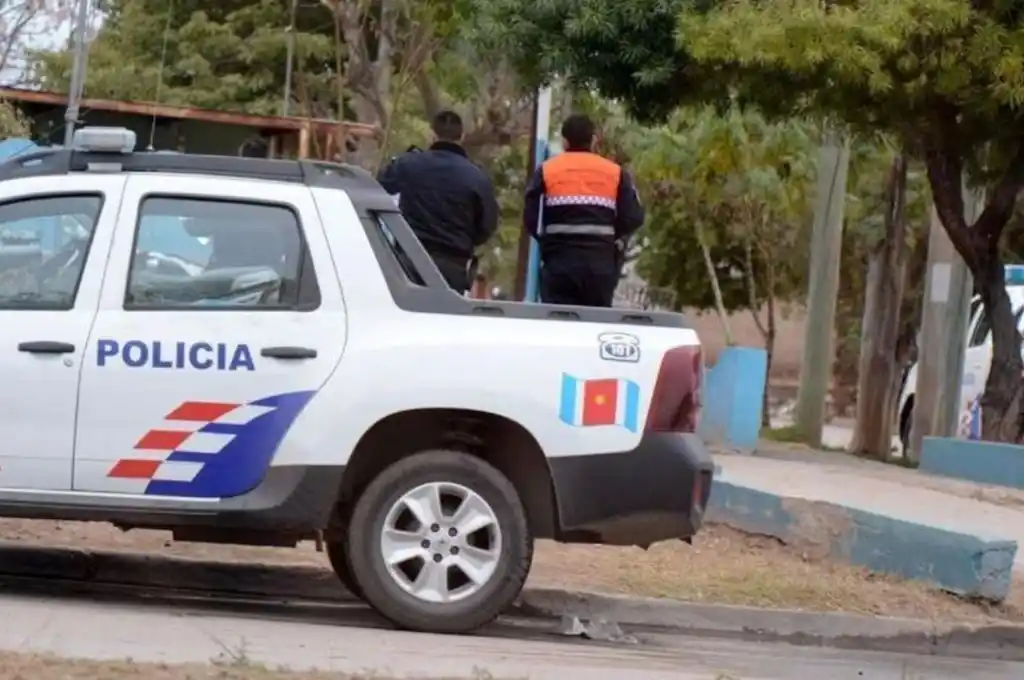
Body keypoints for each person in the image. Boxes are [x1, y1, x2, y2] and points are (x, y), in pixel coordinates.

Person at [523, 114, 645, 307]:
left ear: (564, 141)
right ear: (593, 140)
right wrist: (612, 240)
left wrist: (546, 241)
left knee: (557, 320)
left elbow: (530, 216)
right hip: (600, 266)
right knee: (595, 322)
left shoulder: (547, 171)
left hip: (559, 263)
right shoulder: (615, 173)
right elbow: (634, 216)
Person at [377, 110, 499, 294]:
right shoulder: (477, 177)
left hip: (409, 261)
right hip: (452, 267)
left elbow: (379, 188)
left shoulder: (409, 164)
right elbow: (487, 225)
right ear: (461, 137)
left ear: (432, 135)